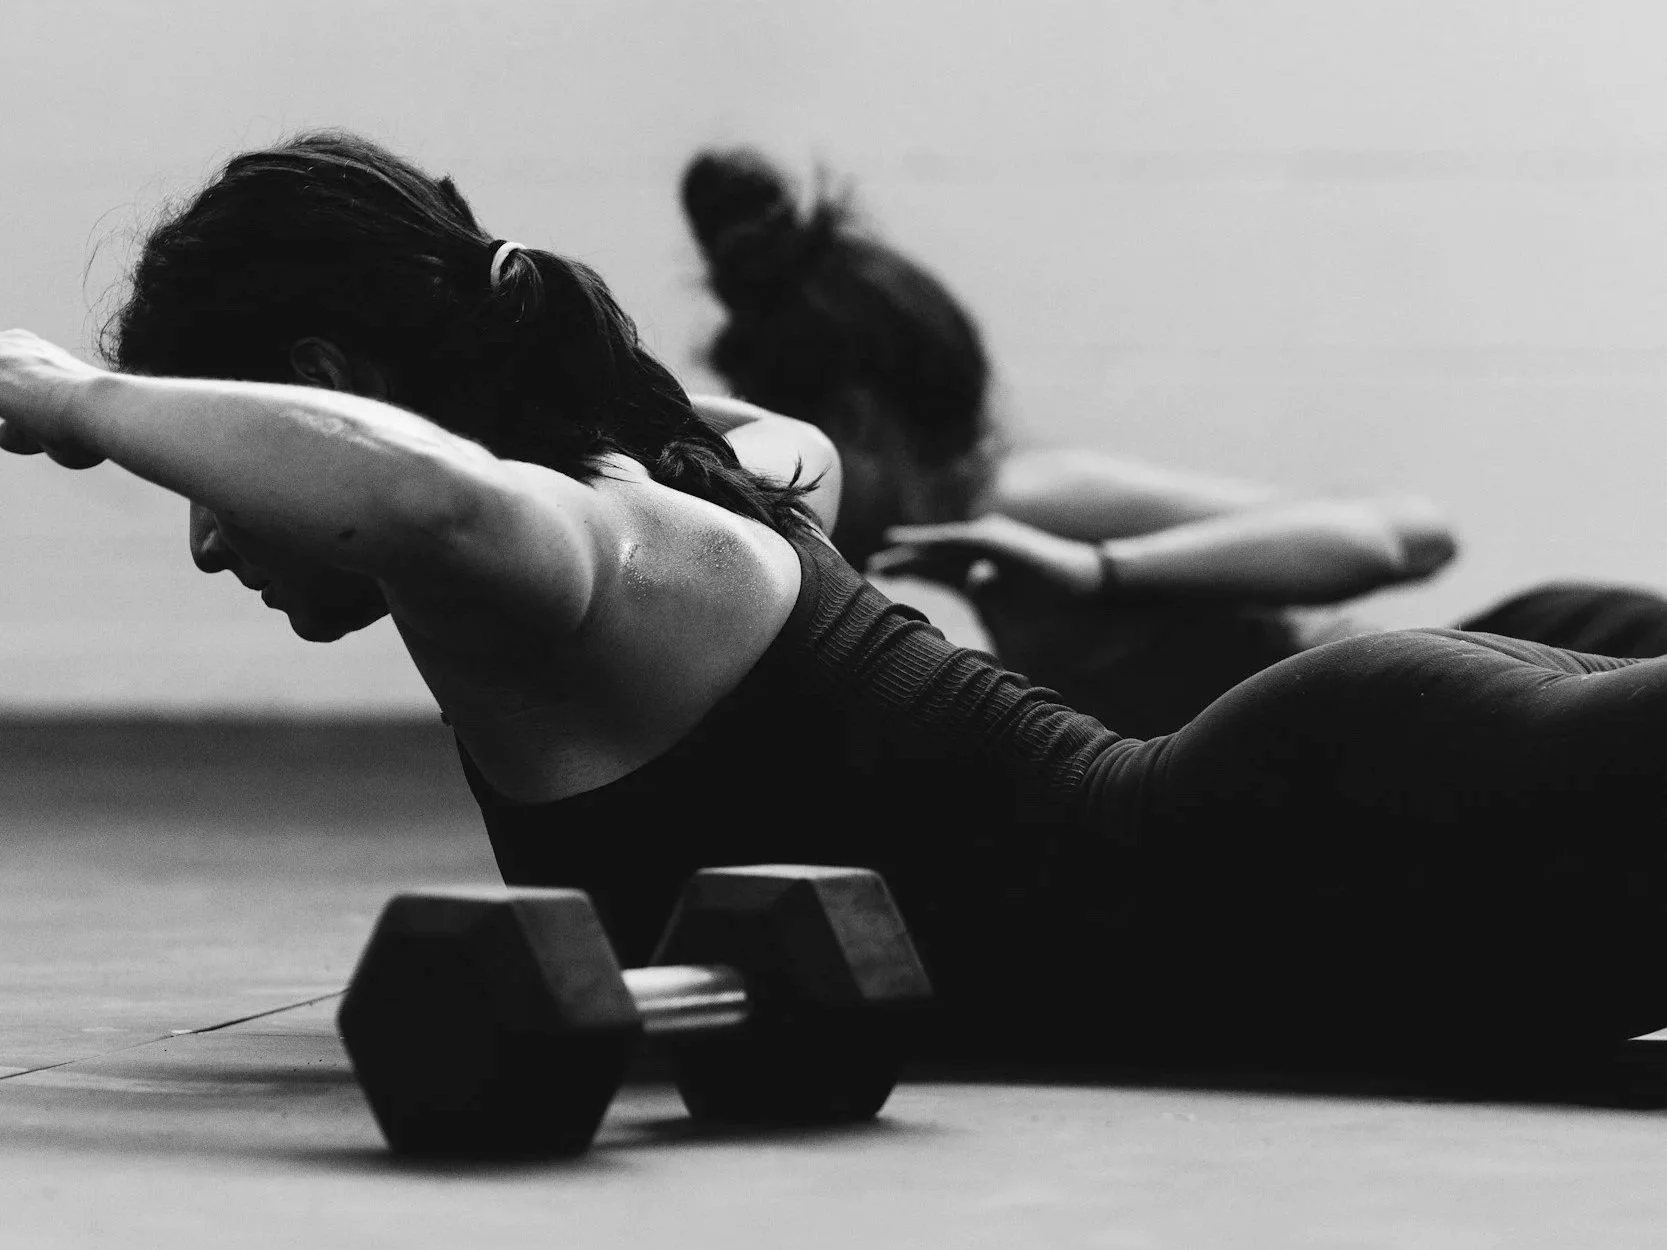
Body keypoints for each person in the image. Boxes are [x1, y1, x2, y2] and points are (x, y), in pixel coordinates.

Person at [7, 130, 1667, 1067]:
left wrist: (74, 401)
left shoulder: (584, 552)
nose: (213, 539)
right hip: (1329, 869)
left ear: (316, 385)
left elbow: (417, 490)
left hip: (1316, 860)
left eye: (212, 482)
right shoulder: (700, 471)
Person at [681, 149, 1667, 736]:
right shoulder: (917, 568)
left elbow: (1407, 534)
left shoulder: (1027, 499)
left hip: (1526, 678)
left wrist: (1098, 570)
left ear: (853, 420)